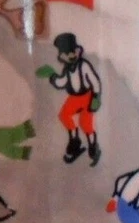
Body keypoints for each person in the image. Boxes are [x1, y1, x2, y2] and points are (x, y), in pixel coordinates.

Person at [35, 32, 103, 166]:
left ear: (77, 51)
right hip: (75, 98)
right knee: (64, 115)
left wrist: (96, 97)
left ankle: (93, 146)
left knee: (85, 122)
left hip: (87, 96)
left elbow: (95, 81)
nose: (70, 55)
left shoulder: (84, 66)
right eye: (66, 54)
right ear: (62, 56)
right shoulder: (67, 69)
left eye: (72, 52)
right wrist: (52, 76)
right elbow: (61, 82)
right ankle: (74, 141)